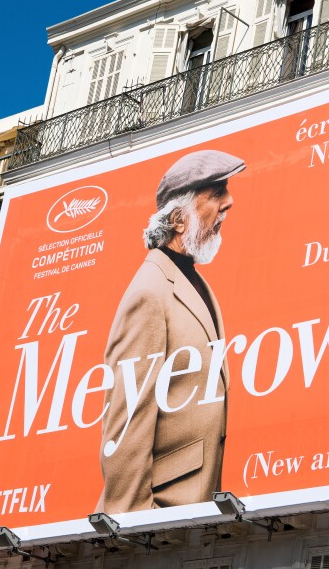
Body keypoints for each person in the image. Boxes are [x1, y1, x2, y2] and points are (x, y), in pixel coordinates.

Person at [98, 149, 244, 513]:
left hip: (195, 504)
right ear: (178, 219)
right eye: (215, 193)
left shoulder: (191, 279)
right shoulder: (149, 291)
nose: (229, 202)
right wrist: (131, 522)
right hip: (163, 509)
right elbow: (127, 416)